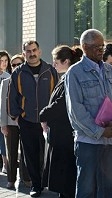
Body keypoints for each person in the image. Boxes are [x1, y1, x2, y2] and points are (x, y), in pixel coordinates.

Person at [64, 29, 112, 198]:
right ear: (85, 47)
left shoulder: (110, 70)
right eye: (97, 47)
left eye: (102, 46)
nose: (101, 50)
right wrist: (99, 131)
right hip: (88, 143)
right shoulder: (74, 73)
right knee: (87, 189)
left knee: (110, 188)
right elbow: (76, 111)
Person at [7, 41, 58, 197]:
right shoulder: (18, 73)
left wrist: (55, 116)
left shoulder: (50, 70)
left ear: (40, 51)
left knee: (48, 154)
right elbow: (12, 97)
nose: (32, 53)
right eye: (28, 51)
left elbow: (58, 94)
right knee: (30, 155)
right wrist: (17, 116)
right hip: (27, 121)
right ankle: (36, 185)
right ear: (24, 54)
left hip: (48, 122)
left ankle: (49, 183)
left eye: (34, 50)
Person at [39, 45, 82, 198]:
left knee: (66, 181)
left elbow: (61, 105)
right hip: (61, 135)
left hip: (65, 137)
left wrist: (43, 115)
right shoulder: (66, 77)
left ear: (66, 61)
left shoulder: (70, 78)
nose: (54, 64)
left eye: (56, 61)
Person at [0, 53, 31, 189]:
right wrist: (3, 125)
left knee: (26, 152)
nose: (16, 67)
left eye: (19, 64)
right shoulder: (6, 82)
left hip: (26, 122)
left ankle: (26, 178)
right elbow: (2, 105)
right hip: (10, 123)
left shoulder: (29, 81)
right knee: (11, 152)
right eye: (14, 65)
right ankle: (11, 179)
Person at [0, 50, 11, 174]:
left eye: (5, 61)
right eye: (1, 61)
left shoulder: (8, 76)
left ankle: (5, 163)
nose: (3, 63)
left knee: (3, 138)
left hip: (3, 111)